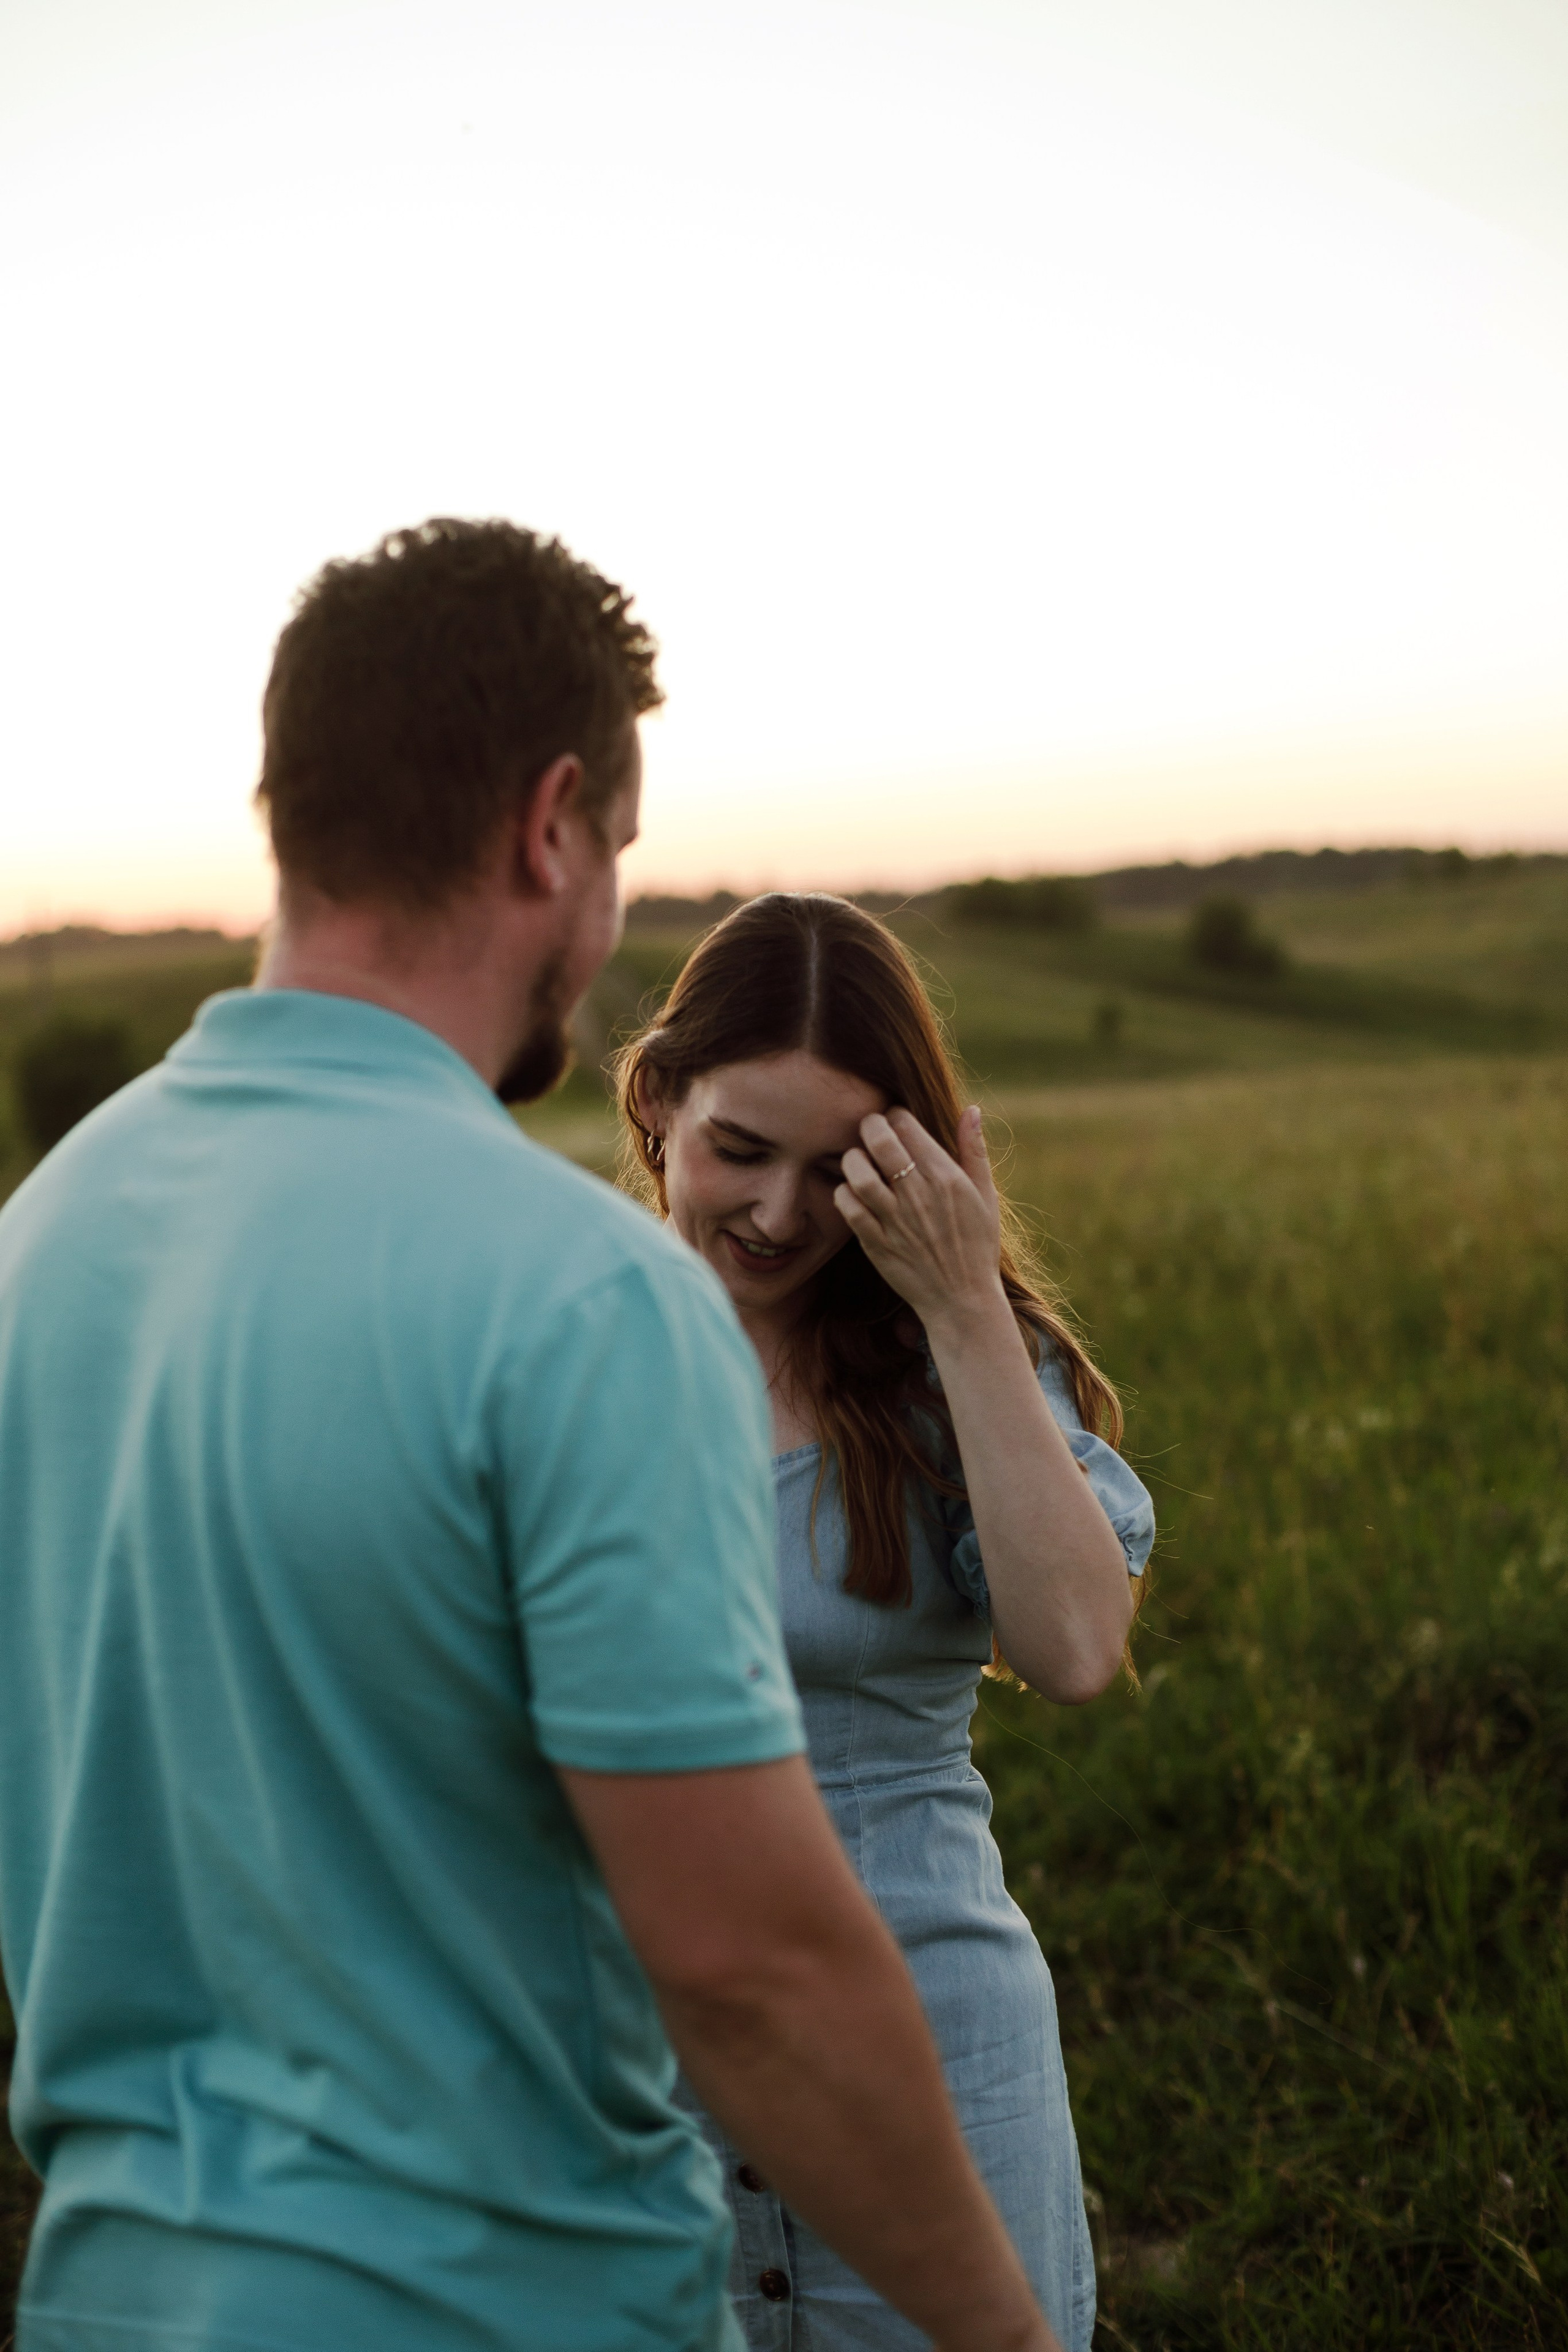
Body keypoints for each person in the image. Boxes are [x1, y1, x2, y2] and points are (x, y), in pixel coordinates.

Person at [0, 521, 1064, 2352]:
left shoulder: (41, 1243)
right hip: (500, 2301)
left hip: (117, 2294)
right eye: (623, 851)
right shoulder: (579, 1294)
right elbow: (748, 1968)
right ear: (551, 823)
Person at [616, 892, 1157, 2352]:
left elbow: (1071, 1647)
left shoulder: (943, 1365)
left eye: (837, 1164)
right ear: (661, 1098)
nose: (782, 1215)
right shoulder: (572, 1339)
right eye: (741, 1150)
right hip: (631, 2066)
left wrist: (964, 1306)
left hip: (931, 2044)